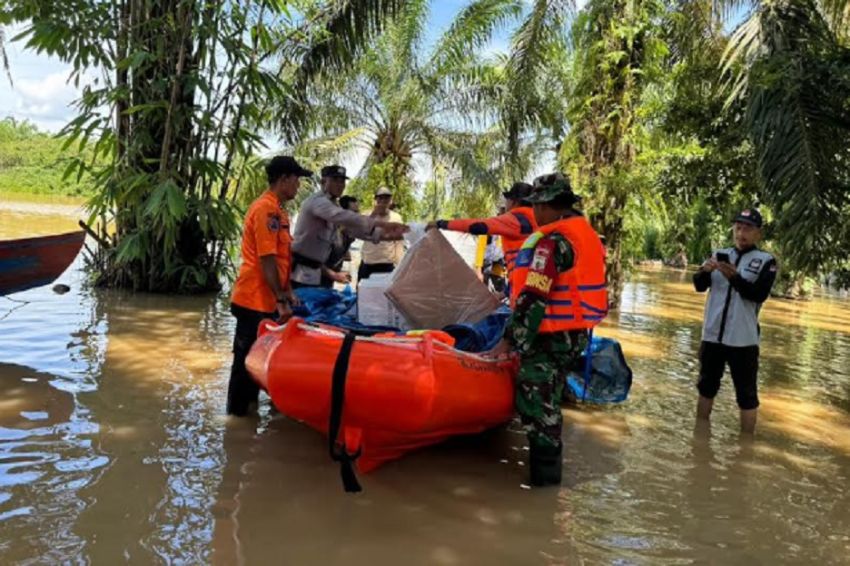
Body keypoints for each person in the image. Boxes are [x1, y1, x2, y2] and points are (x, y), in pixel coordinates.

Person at [505, 173, 607, 486]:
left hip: (549, 339)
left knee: (539, 411)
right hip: (573, 337)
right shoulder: (584, 235)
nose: (534, 212)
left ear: (551, 207)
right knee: (551, 403)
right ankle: (547, 497)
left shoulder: (552, 243)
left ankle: (544, 491)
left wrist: (510, 340)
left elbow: (534, 294)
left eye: (538, 205)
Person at [227, 155, 312, 416]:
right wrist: (281, 299)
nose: (299, 185)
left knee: (255, 363)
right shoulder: (266, 209)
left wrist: (286, 292)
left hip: (264, 300)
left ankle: (247, 418)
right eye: (297, 179)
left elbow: (281, 259)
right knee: (244, 365)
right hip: (253, 300)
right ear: (284, 179)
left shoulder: (278, 211)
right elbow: (267, 259)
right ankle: (237, 421)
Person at [693, 208, 777, 434]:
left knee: (747, 395)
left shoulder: (766, 261)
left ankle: (746, 445)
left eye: (747, 229)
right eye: (738, 227)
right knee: (706, 387)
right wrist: (704, 271)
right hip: (712, 336)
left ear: (758, 233)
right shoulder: (719, 253)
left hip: (743, 340)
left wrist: (735, 278)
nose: (741, 233)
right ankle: (699, 437)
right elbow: (699, 286)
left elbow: (758, 294)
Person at [291, 166, 407, 288]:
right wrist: (385, 224)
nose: (340, 185)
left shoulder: (334, 205)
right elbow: (347, 218)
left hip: (315, 274)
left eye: (342, 181)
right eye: (335, 180)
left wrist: (403, 234)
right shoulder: (319, 202)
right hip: (300, 273)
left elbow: (359, 231)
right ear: (323, 182)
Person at [426, 182, 537, 305]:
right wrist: (505, 293)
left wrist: (441, 224)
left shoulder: (516, 218)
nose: (505, 205)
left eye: (507, 200)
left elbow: (478, 225)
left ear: (514, 201)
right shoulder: (534, 220)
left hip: (522, 292)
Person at [358, 187, 405, 281]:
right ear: (375, 199)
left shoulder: (396, 217)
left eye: (386, 198)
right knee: (362, 294)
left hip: (386, 266)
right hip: (367, 264)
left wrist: (400, 266)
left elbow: (399, 243)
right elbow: (361, 233)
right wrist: (374, 214)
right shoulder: (367, 215)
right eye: (380, 198)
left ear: (390, 200)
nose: (383, 201)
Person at [323, 195, 359, 287]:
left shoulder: (348, 236)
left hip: (327, 283)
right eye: (353, 212)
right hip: (311, 285)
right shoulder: (328, 233)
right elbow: (312, 262)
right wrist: (335, 276)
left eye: (357, 212)